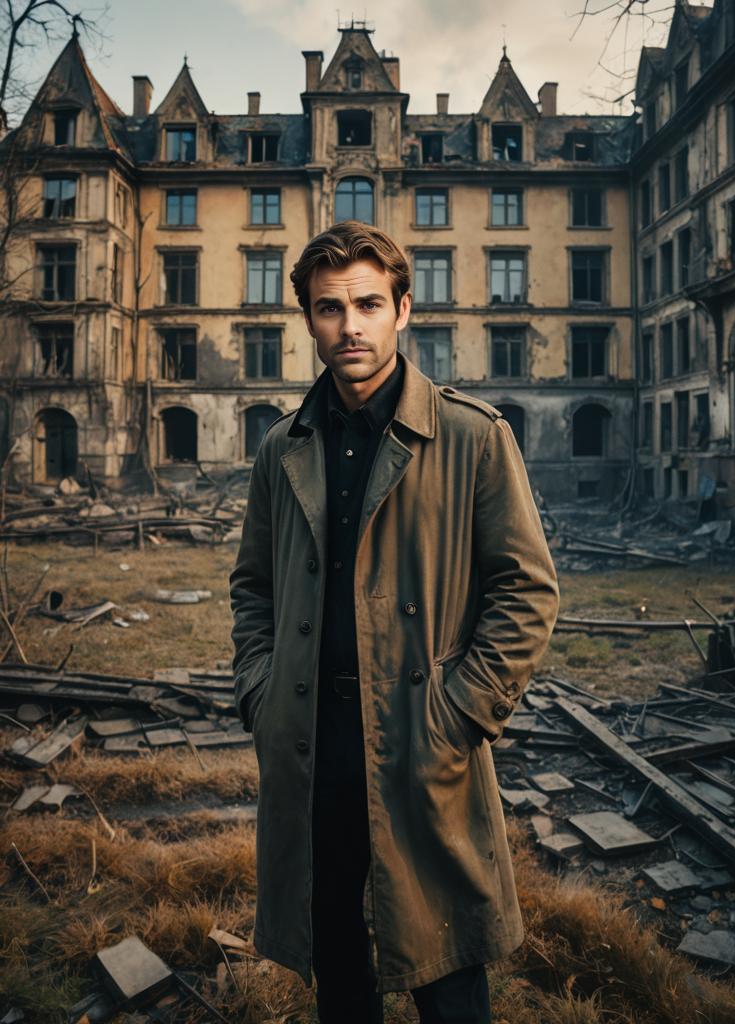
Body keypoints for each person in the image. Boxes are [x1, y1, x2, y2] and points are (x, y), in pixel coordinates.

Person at [229, 220, 559, 1023]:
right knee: (337, 955)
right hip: (313, 737)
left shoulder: (474, 437)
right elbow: (253, 589)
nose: (351, 326)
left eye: (369, 304)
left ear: (404, 310)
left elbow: (527, 591)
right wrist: (262, 694)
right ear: (308, 319)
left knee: (444, 963)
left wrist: (461, 712)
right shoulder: (283, 447)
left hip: (422, 736)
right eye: (330, 308)